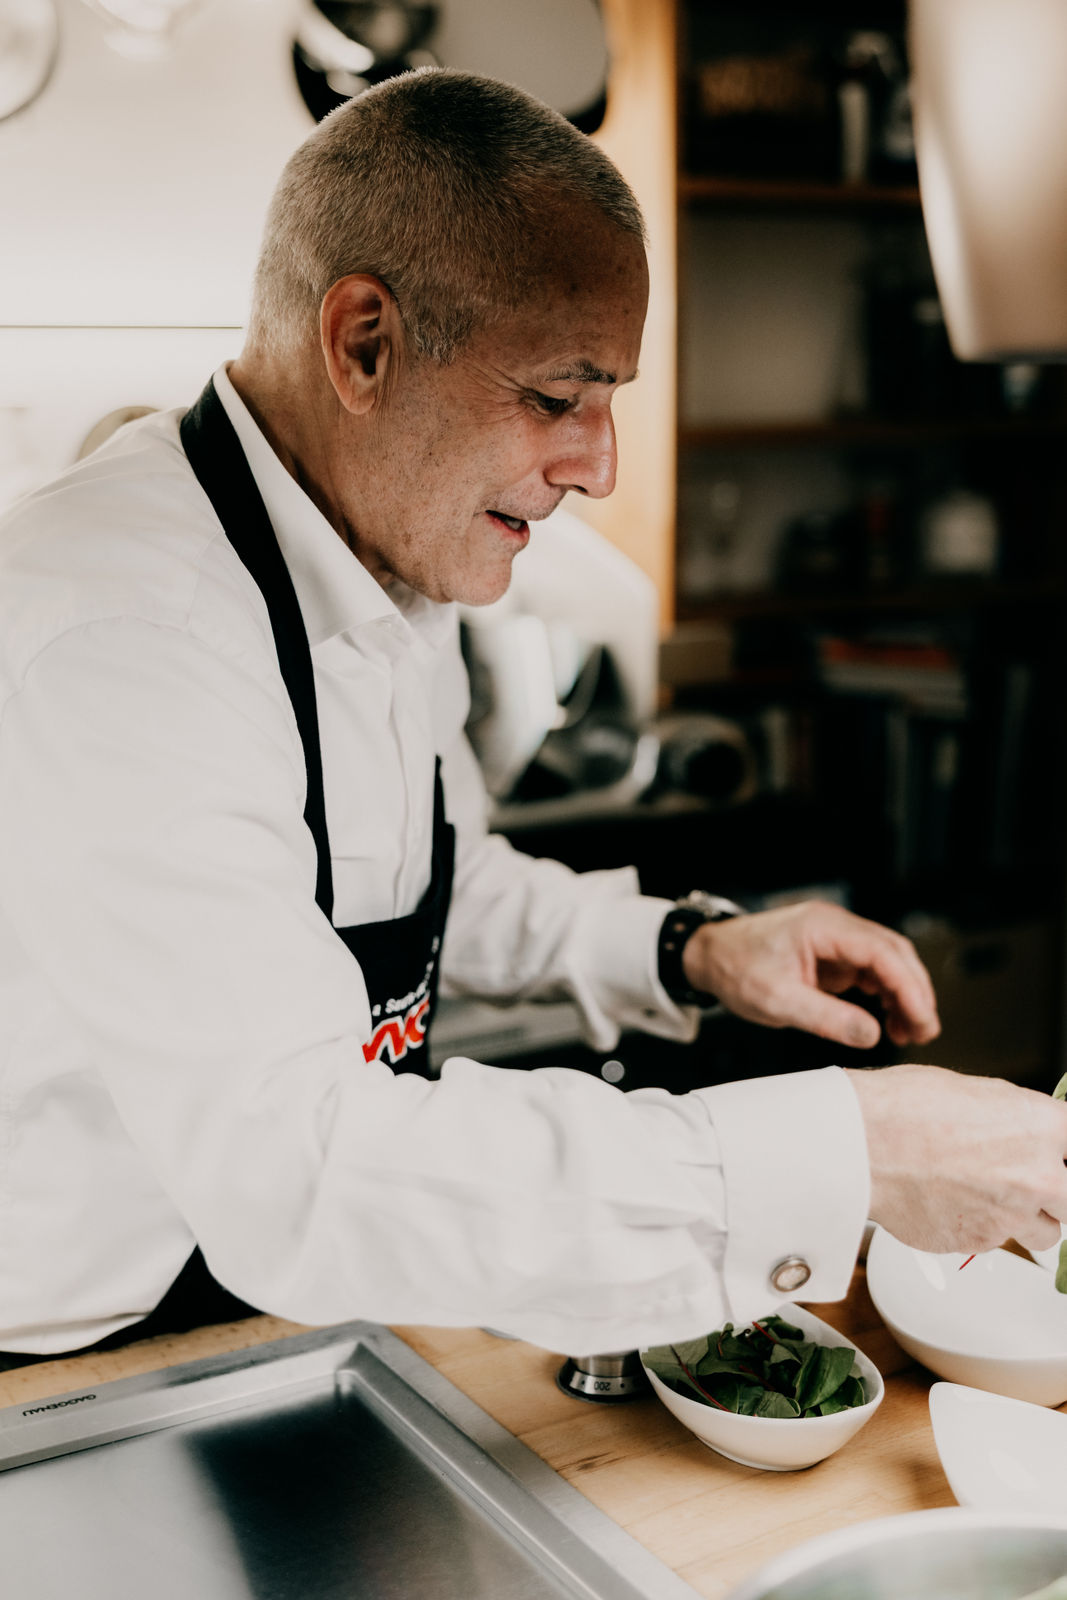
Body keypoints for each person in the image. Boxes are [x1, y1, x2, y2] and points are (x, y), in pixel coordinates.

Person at [0, 69, 1065, 1365]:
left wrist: (692, 952)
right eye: (559, 398)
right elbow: (297, 1165)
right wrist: (853, 1153)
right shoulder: (127, 635)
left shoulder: (388, 547)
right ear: (364, 343)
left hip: (283, 1319)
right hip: (74, 1373)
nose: (600, 466)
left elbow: (428, 883)